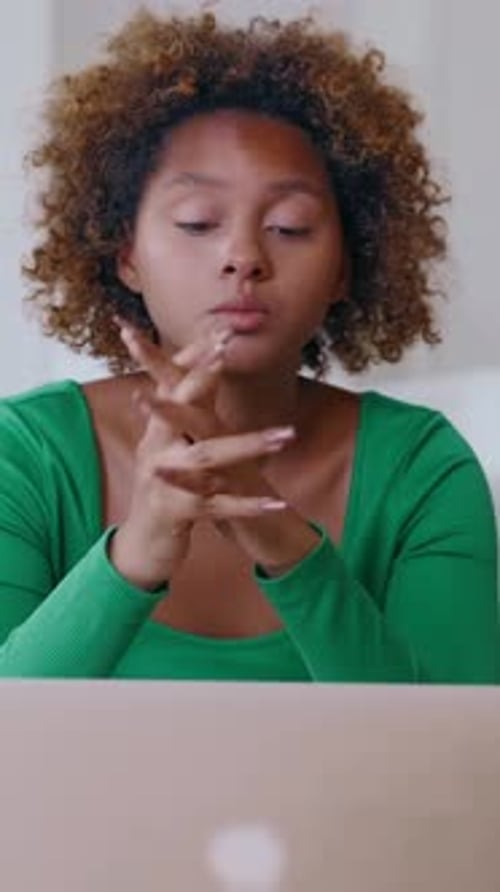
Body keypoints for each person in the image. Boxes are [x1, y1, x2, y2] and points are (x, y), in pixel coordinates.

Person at [0, 10, 497, 681]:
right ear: (126, 255)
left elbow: (459, 761)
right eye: (197, 221)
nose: (243, 257)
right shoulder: (25, 456)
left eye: (290, 227)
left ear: (347, 266)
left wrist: (275, 532)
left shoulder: (421, 471)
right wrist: (138, 551)